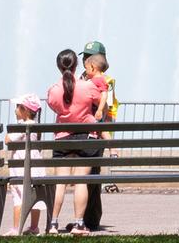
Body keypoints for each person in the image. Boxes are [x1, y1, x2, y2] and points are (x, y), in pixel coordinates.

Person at [45, 47, 109, 235]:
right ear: (76, 65)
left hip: (63, 138)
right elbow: (100, 105)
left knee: (60, 183)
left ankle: (53, 224)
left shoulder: (54, 90)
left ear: (59, 66)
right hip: (86, 139)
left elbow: (55, 107)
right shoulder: (88, 86)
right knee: (81, 182)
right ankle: (79, 224)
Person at [78, 42, 117, 233]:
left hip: (97, 130)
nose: (84, 59)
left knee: (92, 175)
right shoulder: (82, 77)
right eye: (84, 55)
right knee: (87, 175)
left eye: (88, 56)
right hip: (83, 130)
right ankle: (83, 218)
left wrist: (105, 134)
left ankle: (91, 219)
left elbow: (106, 110)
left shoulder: (106, 82)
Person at [2, 97, 50, 236]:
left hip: (21, 168)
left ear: (26, 111)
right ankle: (34, 227)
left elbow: (7, 140)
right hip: (36, 167)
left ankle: (16, 228)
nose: (15, 110)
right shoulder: (35, 126)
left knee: (18, 197)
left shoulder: (23, 126)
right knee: (35, 196)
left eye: (17, 107)